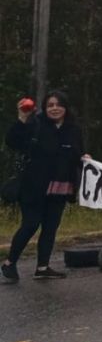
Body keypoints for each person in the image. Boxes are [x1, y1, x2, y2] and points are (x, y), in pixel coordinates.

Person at [1, 91, 85, 283]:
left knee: (50, 228)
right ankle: (9, 263)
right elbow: (12, 141)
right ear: (45, 108)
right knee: (30, 224)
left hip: (61, 187)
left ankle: (42, 267)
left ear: (65, 108)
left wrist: (85, 159)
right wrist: (22, 118)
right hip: (34, 187)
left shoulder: (73, 129)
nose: (54, 108)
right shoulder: (35, 124)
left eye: (58, 105)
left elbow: (79, 154)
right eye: (50, 105)